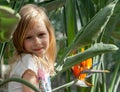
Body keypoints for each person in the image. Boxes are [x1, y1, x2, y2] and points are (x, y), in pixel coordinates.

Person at [8, 4, 57, 92]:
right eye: (29, 37)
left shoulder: (38, 60)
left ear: (49, 34)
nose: (37, 42)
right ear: (19, 40)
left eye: (41, 34)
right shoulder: (28, 61)